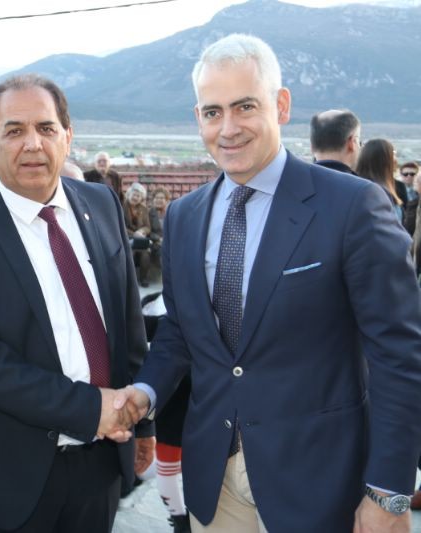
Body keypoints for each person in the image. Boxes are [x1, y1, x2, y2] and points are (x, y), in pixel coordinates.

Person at [116, 33, 421, 532]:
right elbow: (181, 330)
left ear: (280, 106)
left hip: (320, 482)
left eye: (245, 107)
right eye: (213, 112)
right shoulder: (184, 217)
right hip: (214, 481)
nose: (228, 128)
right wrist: (146, 392)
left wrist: (388, 493)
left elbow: (399, 356)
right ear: (198, 118)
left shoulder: (352, 206)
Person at [0, 73, 153, 533]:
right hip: (8, 474)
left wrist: (143, 424)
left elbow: (128, 323)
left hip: (102, 462)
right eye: (14, 130)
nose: (33, 144)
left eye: (46, 128)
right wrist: (90, 409)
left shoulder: (102, 204)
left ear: (67, 137)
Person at [355, 138, 404, 224]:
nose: (396, 159)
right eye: (393, 153)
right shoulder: (377, 193)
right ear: (385, 160)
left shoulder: (357, 186)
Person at [309, 109, 360, 175]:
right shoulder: (359, 182)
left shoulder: (298, 178)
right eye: (359, 142)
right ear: (352, 143)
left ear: (312, 147)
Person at [124, 182, 152, 287]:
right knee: (131, 251)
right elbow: (119, 225)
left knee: (146, 252)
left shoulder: (143, 209)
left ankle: (144, 279)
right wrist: (134, 234)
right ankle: (129, 279)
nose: (135, 197)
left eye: (138, 196)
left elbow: (148, 227)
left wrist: (141, 231)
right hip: (126, 238)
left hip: (139, 239)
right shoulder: (122, 205)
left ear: (141, 198)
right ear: (129, 194)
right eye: (134, 194)